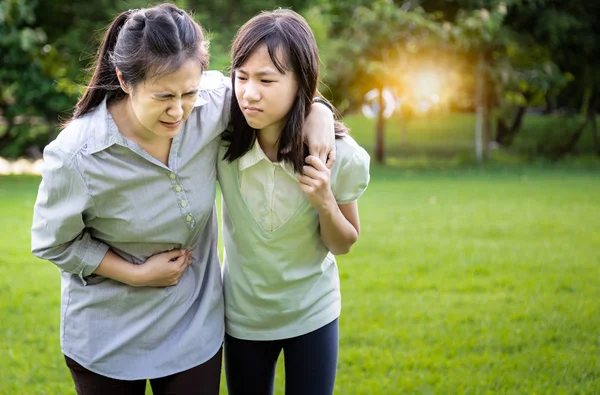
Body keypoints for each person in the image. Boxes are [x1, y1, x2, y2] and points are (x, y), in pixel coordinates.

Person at [30, 4, 334, 395]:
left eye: (188, 92)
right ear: (124, 79)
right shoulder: (76, 154)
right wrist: (136, 273)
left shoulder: (211, 106)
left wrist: (319, 111)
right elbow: (53, 241)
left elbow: (275, 91)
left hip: (192, 328)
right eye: (163, 96)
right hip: (106, 336)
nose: (178, 110)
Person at [218, 9, 371, 395]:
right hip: (243, 318)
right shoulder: (219, 137)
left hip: (312, 314)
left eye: (267, 80)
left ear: (301, 82)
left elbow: (344, 243)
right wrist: (319, 105)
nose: (249, 93)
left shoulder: (340, 155)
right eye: (242, 77)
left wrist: (324, 202)